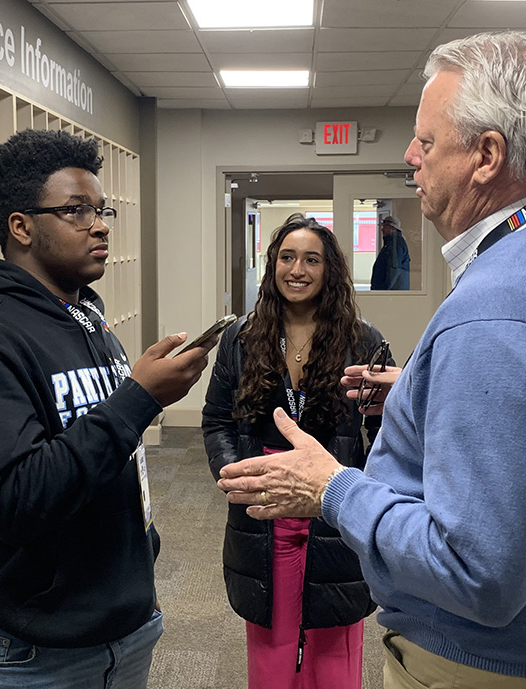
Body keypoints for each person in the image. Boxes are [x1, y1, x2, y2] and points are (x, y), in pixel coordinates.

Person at [217, 31, 526, 689]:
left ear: (486, 154)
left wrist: (331, 487)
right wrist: (428, 393)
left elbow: (478, 573)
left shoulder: (504, 306)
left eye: (425, 140)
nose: (410, 156)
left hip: (477, 665)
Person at [0, 129, 215, 689]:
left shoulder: (87, 318)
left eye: (100, 210)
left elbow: (105, 452)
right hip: (19, 654)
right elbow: (19, 499)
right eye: (76, 211)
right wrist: (140, 397)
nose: (99, 224)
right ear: (22, 226)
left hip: (117, 628)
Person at [202, 213, 389, 689]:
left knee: (334, 639)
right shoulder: (243, 338)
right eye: (287, 257)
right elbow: (217, 419)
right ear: (272, 264)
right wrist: (236, 476)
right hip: (265, 506)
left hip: (335, 502)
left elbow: (385, 430)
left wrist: (366, 491)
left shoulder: (361, 339)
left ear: (330, 270)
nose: (297, 270)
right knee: (272, 642)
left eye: (312, 260)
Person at [370, 215, 411, 290]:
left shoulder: (395, 244)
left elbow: (394, 269)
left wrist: (384, 291)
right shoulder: (391, 244)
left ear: (392, 228)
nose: (382, 230)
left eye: (385, 227)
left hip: (391, 294)